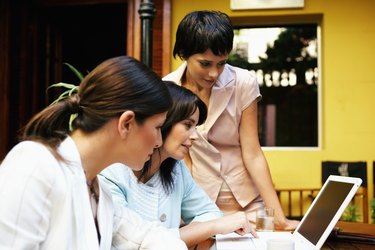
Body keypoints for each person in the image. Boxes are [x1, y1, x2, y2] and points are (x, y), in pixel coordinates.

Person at [0, 56, 187, 249]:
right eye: (157, 127)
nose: (158, 141)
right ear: (127, 123)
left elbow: (145, 235)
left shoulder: (99, 193)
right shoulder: (35, 165)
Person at [163, 10, 299, 231]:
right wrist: (186, 207)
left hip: (248, 202)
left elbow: (252, 152)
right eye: (205, 63)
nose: (214, 73)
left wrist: (279, 218)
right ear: (184, 53)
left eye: (221, 63)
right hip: (199, 203)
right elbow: (181, 160)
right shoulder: (168, 88)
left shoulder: (244, 82)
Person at [100, 82, 255, 248]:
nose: (195, 136)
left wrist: (205, 228)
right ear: (162, 122)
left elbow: (209, 213)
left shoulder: (175, 169)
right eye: (188, 125)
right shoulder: (111, 173)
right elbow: (130, 243)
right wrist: (209, 228)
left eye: (195, 127)